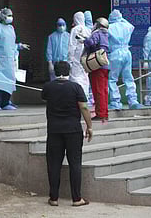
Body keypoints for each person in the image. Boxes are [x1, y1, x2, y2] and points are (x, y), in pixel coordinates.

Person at [42, 61, 93, 207]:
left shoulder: (48, 87)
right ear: (69, 72)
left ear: (55, 72)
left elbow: (44, 97)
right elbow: (83, 107)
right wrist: (89, 127)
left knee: (54, 164)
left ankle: (54, 198)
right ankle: (77, 199)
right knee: (75, 164)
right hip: (73, 130)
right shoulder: (76, 87)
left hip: (54, 130)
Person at [0, 8, 30, 111]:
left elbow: (10, 44)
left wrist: (19, 46)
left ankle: (5, 102)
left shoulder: (11, 28)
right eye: (8, 15)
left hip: (9, 60)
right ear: (2, 16)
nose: (10, 18)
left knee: (9, 81)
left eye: (11, 15)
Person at [107, 9, 143, 110]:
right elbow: (131, 26)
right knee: (128, 77)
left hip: (115, 54)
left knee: (112, 78)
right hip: (127, 52)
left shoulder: (109, 27)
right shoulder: (127, 26)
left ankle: (115, 101)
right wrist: (122, 19)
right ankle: (133, 100)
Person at [84, 17, 110, 122]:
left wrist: (84, 40)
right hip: (106, 65)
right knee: (104, 90)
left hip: (97, 65)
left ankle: (100, 113)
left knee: (98, 90)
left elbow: (91, 43)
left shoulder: (97, 34)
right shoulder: (108, 35)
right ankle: (105, 112)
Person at [68, 12, 92, 101]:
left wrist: (70, 59)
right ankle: (85, 97)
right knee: (85, 77)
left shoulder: (75, 29)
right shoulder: (88, 30)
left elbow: (72, 45)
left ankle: (76, 97)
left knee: (75, 77)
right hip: (86, 57)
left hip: (76, 57)